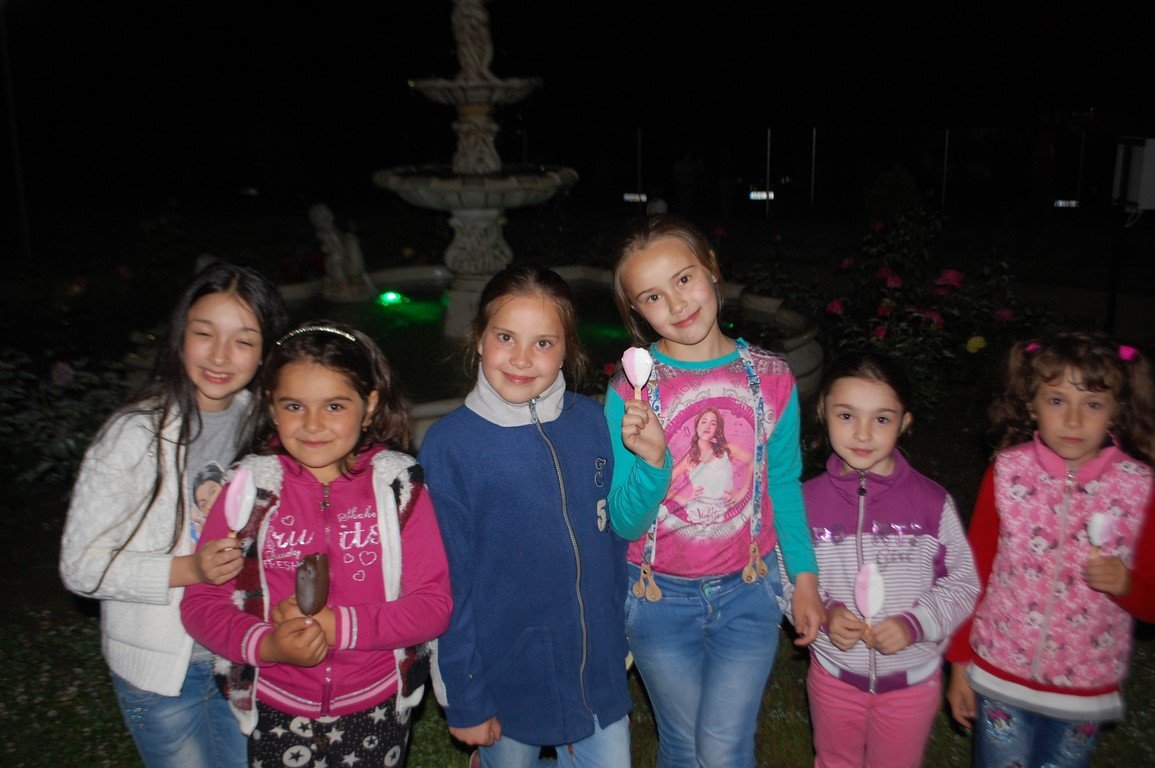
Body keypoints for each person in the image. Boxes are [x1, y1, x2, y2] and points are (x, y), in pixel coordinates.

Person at [419, 264, 668, 768]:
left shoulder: (591, 421)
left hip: (597, 671)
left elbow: (615, 533)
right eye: (505, 337)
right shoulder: (450, 446)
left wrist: (616, 627)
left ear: (566, 349)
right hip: (506, 679)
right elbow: (446, 583)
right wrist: (465, 696)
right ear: (479, 337)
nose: (521, 358)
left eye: (543, 343)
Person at [180, 321, 453, 767]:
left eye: (334, 406)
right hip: (275, 706)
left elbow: (433, 606)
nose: (312, 424)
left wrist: (337, 627)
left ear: (369, 406)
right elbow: (201, 605)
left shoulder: (399, 489)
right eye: (294, 405)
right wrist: (268, 646)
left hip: (377, 704)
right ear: (271, 406)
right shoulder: (247, 491)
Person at [606, 214, 824, 768]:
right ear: (636, 311)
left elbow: (783, 483)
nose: (677, 304)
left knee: (725, 746)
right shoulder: (629, 394)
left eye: (684, 279)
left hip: (747, 591)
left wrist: (804, 576)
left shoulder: (772, 378)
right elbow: (625, 523)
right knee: (682, 745)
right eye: (653, 297)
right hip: (656, 597)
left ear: (712, 270)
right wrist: (654, 462)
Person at [59, 262, 289, 768]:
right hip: (159, 679)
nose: (220, 356)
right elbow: (81, 568)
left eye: (243, 341)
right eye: (204, 334)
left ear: (265, 352)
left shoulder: (268, 430)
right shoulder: (133, 435)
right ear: (179, 336)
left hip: (244, 660)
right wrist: (190, 569)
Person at [945, 331, 1155, 768]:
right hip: (1001, 671)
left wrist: (1127, 585)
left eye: (1092, 404)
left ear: (1116, 410)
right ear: (1031, 403)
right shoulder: (1006, 473)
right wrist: (960, 662)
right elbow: (973, 573)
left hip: (1085, 686)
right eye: (1057, 400)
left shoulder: (1139, 488)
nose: (1074, 420)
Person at [802, 352, 979, 768]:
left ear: (905, 422)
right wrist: (824, 614)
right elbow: (787, 578)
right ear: (824, 412)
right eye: (847, 415)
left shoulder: (931, 503)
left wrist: (916, 623)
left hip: (910, 683)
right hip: (834, 675)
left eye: (881, 419)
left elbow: (963, 583)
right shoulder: (806, 503)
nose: (863, 433)